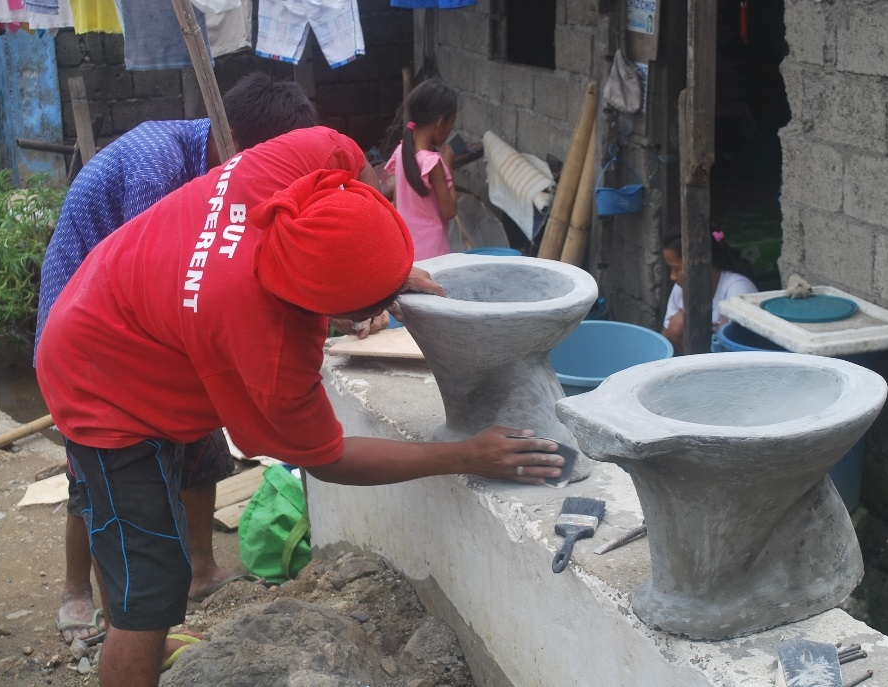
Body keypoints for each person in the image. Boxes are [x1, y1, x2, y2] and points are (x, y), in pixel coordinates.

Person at [36, 126, 564, 687]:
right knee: (152, 588)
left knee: (133, 549)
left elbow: (349, 155)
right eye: (378, 303)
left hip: (113, 292)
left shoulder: (284, 167)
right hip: (97, 383)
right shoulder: (271, 356)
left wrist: (376, 264)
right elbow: (328, 457)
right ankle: (135, 642)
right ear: (334, 309)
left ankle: (137, 619)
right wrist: (462, 455)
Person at [37, 72, 386, 647]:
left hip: (161, 322)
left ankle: (199, 568)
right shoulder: (157, 162)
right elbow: (176, 288)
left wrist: (354, 278)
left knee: (200, 451)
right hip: (90, 323)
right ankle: (87, 597)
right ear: (240, 145)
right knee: (101, 483)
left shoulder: (238, 161)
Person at [384, 78, 459, 261]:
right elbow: (450, 210)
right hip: (434, 253)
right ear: (440, 122)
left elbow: (397, 203)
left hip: (407, 250)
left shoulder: (401, 152)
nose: (450, 129)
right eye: (451, 123)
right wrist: (448, 166)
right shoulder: (432, 162)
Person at [661, 228, 758, 354]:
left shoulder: (738, 289)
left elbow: (743, 341)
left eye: (677, 269)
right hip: (696, 356)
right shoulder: (680, 287)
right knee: (676, 324)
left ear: (700, 263)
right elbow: (667, 332)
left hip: (731, 361)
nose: (672, 276)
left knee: (726, 330)